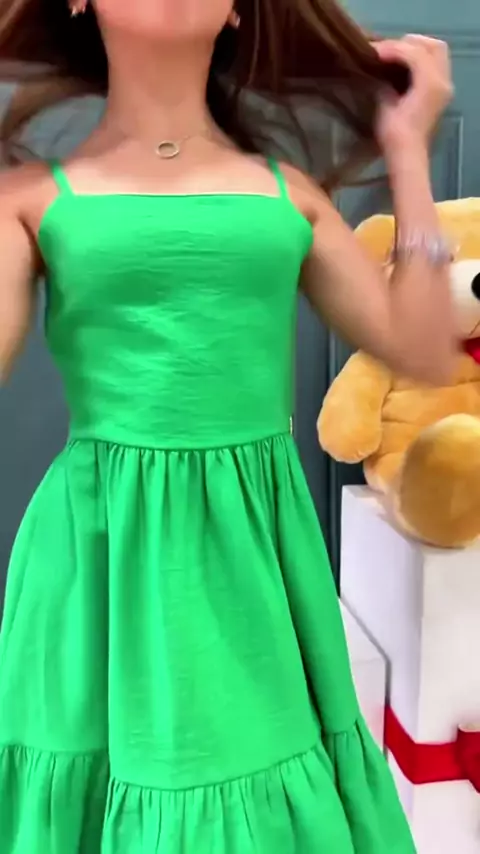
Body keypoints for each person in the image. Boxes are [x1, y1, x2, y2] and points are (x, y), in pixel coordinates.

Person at [0, 1, 455, 852]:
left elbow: (425, 348)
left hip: (253, 555)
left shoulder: (290, 196)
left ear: (240, 10)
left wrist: (407, 151)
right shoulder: (28, 198)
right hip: (99, 555)